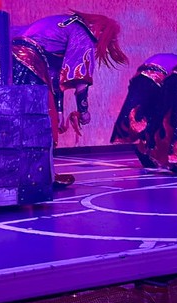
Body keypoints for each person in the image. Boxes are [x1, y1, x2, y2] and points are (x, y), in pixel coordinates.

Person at [12, 11, 128, 187]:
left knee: (21, 119)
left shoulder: (63, 23)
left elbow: (53, 78)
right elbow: (81, 78)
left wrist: (58, 111)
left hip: (12, 58)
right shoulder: (83, 33)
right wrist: (84, 112)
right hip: (30, 62)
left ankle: (25, 173)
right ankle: (42, 175)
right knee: (39, 122)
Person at [110, 53, 177, 168]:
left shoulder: (175, 59)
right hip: (156, 79)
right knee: (168, 120)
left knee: (147, 117)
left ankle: (144, 149)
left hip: (140, 77)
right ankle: (171, 158)